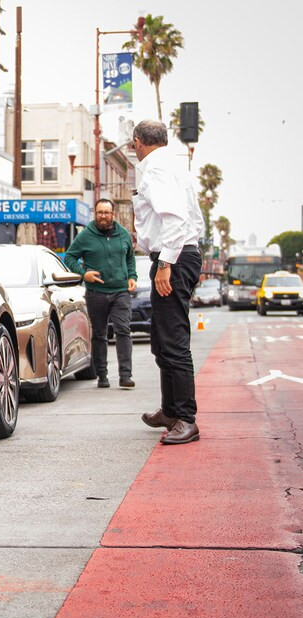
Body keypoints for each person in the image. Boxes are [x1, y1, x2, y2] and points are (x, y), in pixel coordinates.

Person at [131, 120, 204, 445]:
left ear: (137, 142)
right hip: (179, 255)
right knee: (162, 340)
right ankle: (171, 409)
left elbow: (174, 218)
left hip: (172, 258)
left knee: (172, 342)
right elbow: (194, 219)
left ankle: (186, 418)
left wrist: (166, 264)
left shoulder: (156, 169)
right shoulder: (175, 167)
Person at [63, 199, 138, 389]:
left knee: (123, 330)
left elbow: (130, 258)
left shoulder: (123, 234)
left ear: (113, 214)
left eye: (106, 212)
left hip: (121, 291)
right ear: (95, 214)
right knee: (99, 334)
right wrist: (83, 274)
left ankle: (125, 375)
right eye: (99, 212)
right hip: (96, 293)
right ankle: (102, 375)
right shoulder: (86, 235)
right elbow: (70, 256)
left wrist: (132, 276)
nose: (103, 216)